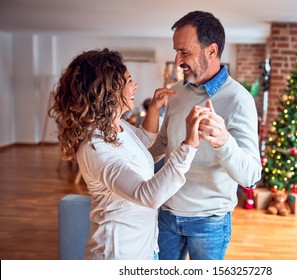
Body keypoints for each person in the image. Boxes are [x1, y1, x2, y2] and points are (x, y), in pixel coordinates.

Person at [49, 48, 210, 260]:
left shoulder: (117, 126)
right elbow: (148, 195)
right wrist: (189, 144)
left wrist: (153, 109)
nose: (135, 85)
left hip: (143, 248)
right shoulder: (94, 148)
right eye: (129, 80)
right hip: (118, 254)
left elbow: (142, 143)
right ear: (108, 90)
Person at [148, 11, 262, 260]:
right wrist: (131, 159)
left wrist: (223, 142)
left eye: (184, 52)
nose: (177, 60)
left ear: (211, 51)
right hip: (167, 214)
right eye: (176, 51)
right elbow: (164, 144)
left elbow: (251, 175)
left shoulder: (239, 99)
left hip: (209, 223)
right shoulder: (177, 92)